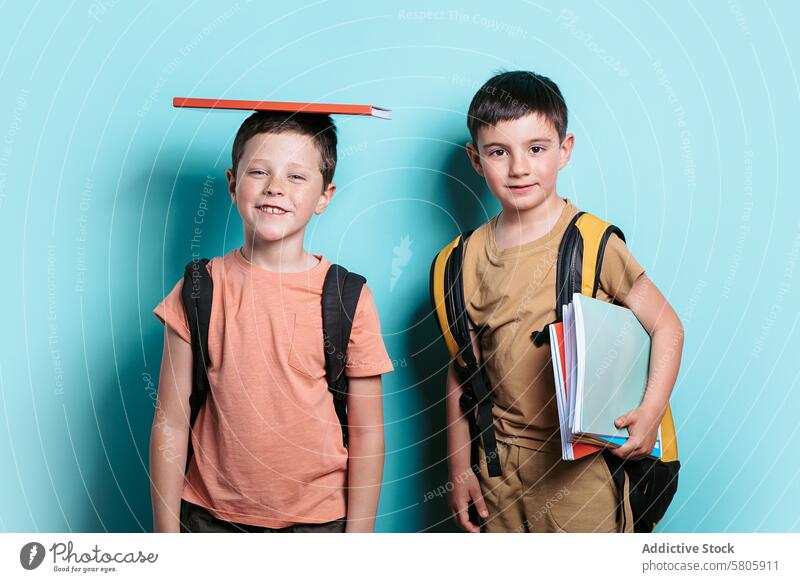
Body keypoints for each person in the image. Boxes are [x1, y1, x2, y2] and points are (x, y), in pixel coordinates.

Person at [445, 70, 684, 533]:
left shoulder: (591, 242)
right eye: (499, 152)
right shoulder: (460, 261)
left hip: (584, 470)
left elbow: (668, 327)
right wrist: (460, 469)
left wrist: (651, 412)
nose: (519, 168)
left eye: (536, 148)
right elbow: (462, 377)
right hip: (499, 472)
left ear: (564, 150)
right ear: (476, 160)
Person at [150, 111, 393, 533]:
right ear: (232, 183)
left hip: (319, 525)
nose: (275, 187)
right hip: (210, 522)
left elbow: (369, 432)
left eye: (296, 177)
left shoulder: (347, 297)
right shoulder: (197, 289)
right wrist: (165, 539)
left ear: (324, 196)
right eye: (259, 171)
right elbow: (170, 421)